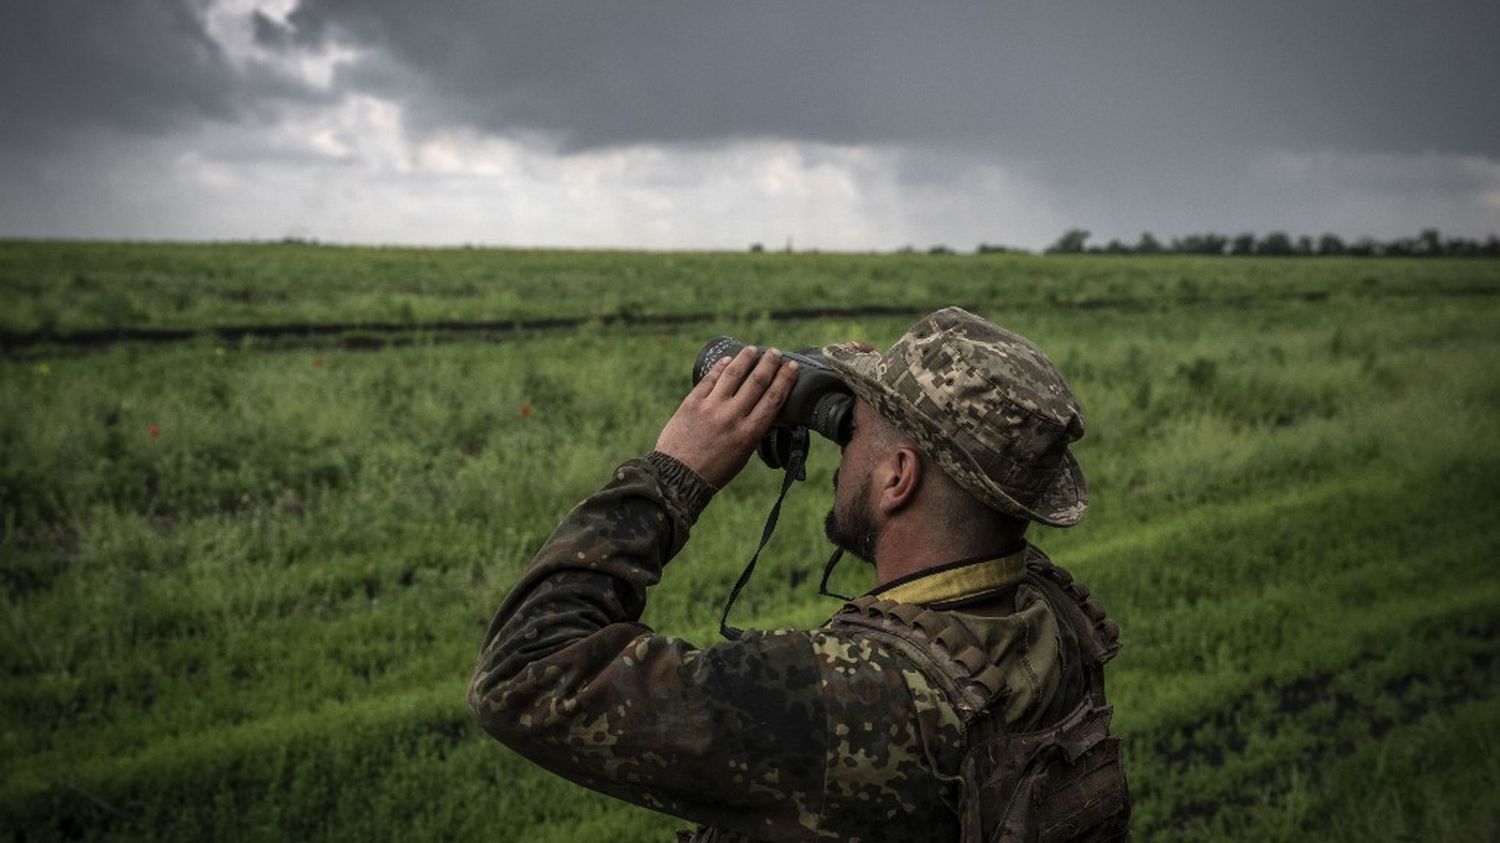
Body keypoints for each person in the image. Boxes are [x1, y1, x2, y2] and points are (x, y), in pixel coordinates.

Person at [468, 307, 1130, 842]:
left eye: (850, 432)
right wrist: (876, 396)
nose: (839, 449)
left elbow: (523, 672)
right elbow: (976, 494)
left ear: (899, 478)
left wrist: (673, 476)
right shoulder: (1053, 615)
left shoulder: (844, 701)